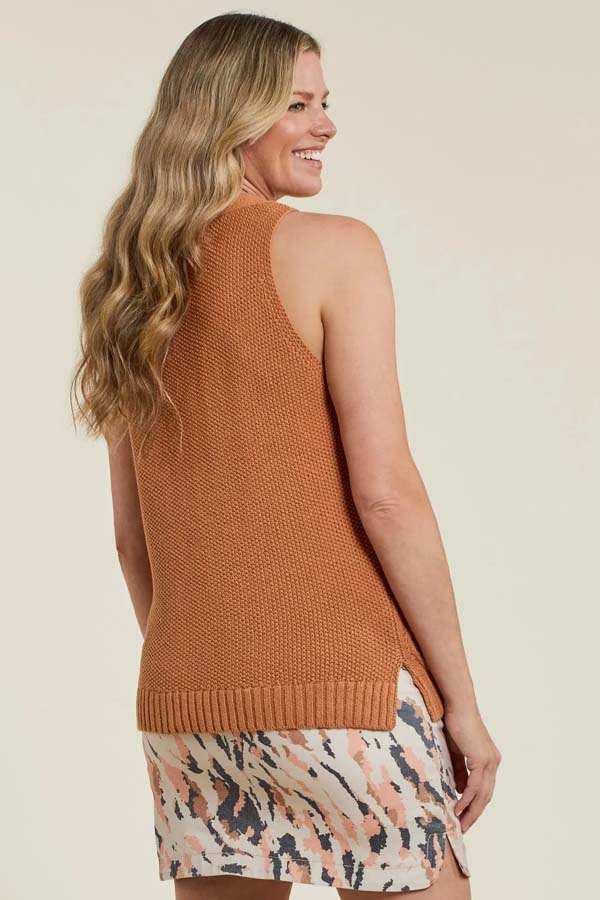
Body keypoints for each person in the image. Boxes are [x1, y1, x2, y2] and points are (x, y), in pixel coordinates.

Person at [71, 12, 501, 899]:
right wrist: (460, 702)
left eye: (324, 103)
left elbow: (130, 539)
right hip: (350, 699)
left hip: (189, 709)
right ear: (230, 113)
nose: (326, 125)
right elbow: (386, 496)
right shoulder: (333, 250)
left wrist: (218, 667)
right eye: (297, 104)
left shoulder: (128, 286)